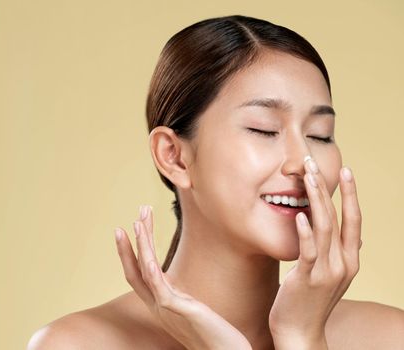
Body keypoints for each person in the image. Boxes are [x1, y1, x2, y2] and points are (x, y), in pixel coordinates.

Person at [27, 15, 404, 349]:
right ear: (173, 156)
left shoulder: (389, 337)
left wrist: (301, 338)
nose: (304, 163)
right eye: (264, 129)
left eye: (320, 135)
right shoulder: (80, 344)